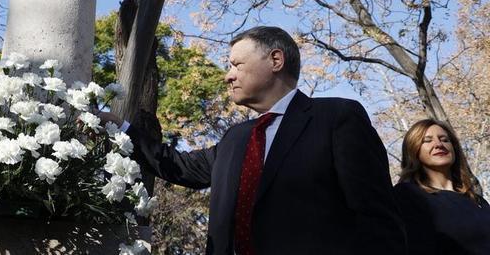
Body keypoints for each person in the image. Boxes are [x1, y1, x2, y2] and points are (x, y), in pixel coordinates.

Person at [100, 26, 405, 255]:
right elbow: (178, 166)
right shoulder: (236, 139)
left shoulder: (337, 118)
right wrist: (121, 128)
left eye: (236, 65)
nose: (228, 76)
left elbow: (377, 219)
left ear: (275, 60)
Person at [393, 119, 490, 254]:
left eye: (444, 139)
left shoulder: (477, 200)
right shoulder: (407, 195)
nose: (439, 144)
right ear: (413, 150)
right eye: (427, 140)